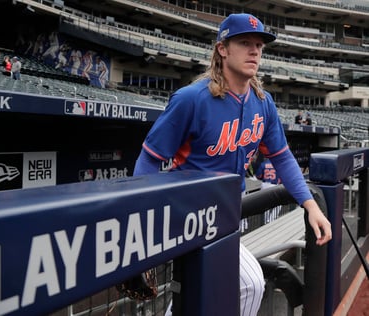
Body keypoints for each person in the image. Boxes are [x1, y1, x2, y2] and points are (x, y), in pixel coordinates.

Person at [132, 13, 332, 316]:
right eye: (244, 43)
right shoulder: (191, 99)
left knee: (196, 288)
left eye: (259, 45)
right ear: (222, 49)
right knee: (250, 283)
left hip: (226, 213)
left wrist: (310, 204)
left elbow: (281, 156)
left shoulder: (262, 103)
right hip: (189, 214)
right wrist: (142, 225)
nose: (255, 50)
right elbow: (149, 158)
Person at [255, 157, 282, 223]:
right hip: (274, 185)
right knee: (278, 203)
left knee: (266, 203)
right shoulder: (278, 164)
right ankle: (272, 218)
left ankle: (266, 220)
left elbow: (258, 176)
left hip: (265, 184)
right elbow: (281, 178)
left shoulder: (263, 163)